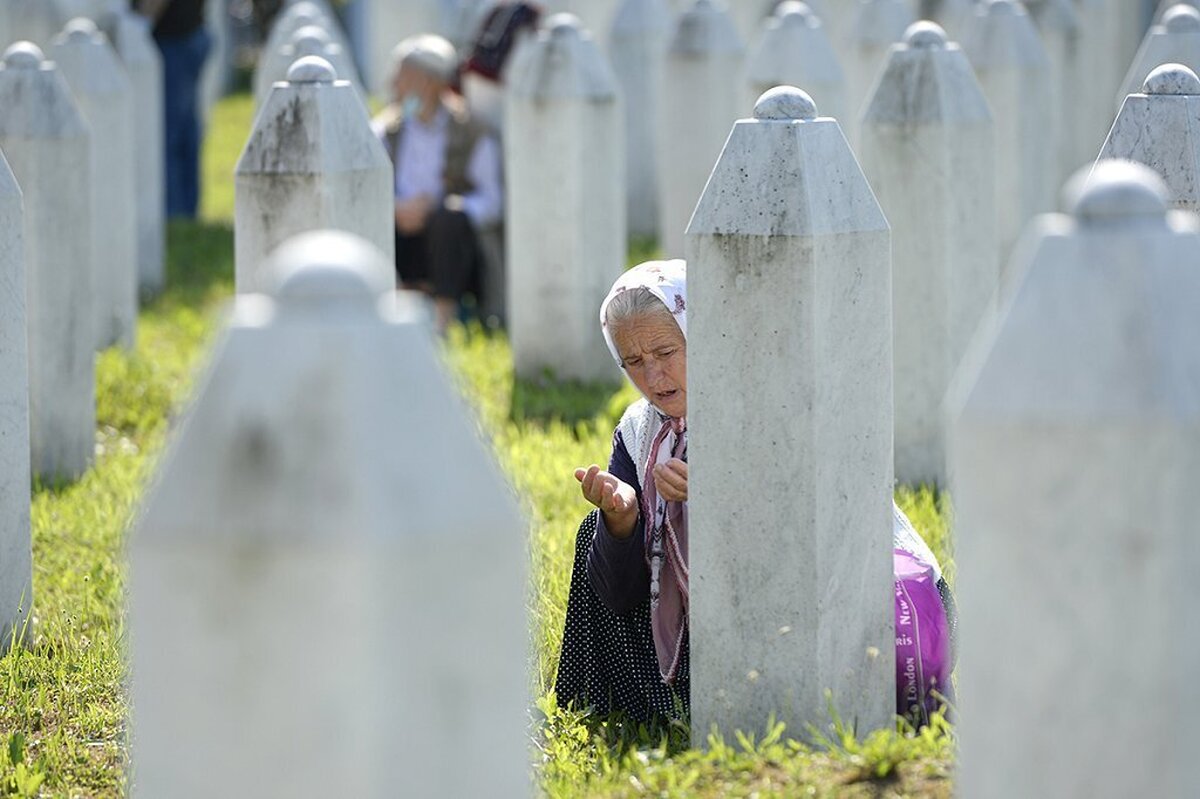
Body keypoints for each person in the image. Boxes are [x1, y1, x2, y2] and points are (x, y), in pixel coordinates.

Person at [554, 261, 957, 725]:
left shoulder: (769, 409)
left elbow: (814, 545)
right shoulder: (639, 433)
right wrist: (621, 522)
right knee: (594, 530)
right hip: (712, 632)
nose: (652, 375)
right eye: (633, 361)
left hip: (831, 620)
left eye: (665, 351)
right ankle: (644, 707)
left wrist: (720, 495)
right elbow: (619, 596)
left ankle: (785, 704)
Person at [372, 34, 503, 333]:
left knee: (449, 219)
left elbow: (492, 201)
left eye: (404, 77)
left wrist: (438, 208)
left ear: (429, 83)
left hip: (449, 244)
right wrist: (396, 209)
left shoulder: (471, 130)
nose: (395, 85)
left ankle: (443, 319)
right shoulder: (386, 130)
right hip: (400, 231)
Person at [138, 0, 211, 218]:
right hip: (187, 34)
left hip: (173, 40)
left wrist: (141, 21)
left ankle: (175, 213)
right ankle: (185, 212)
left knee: (169, 135)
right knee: (184, 133)